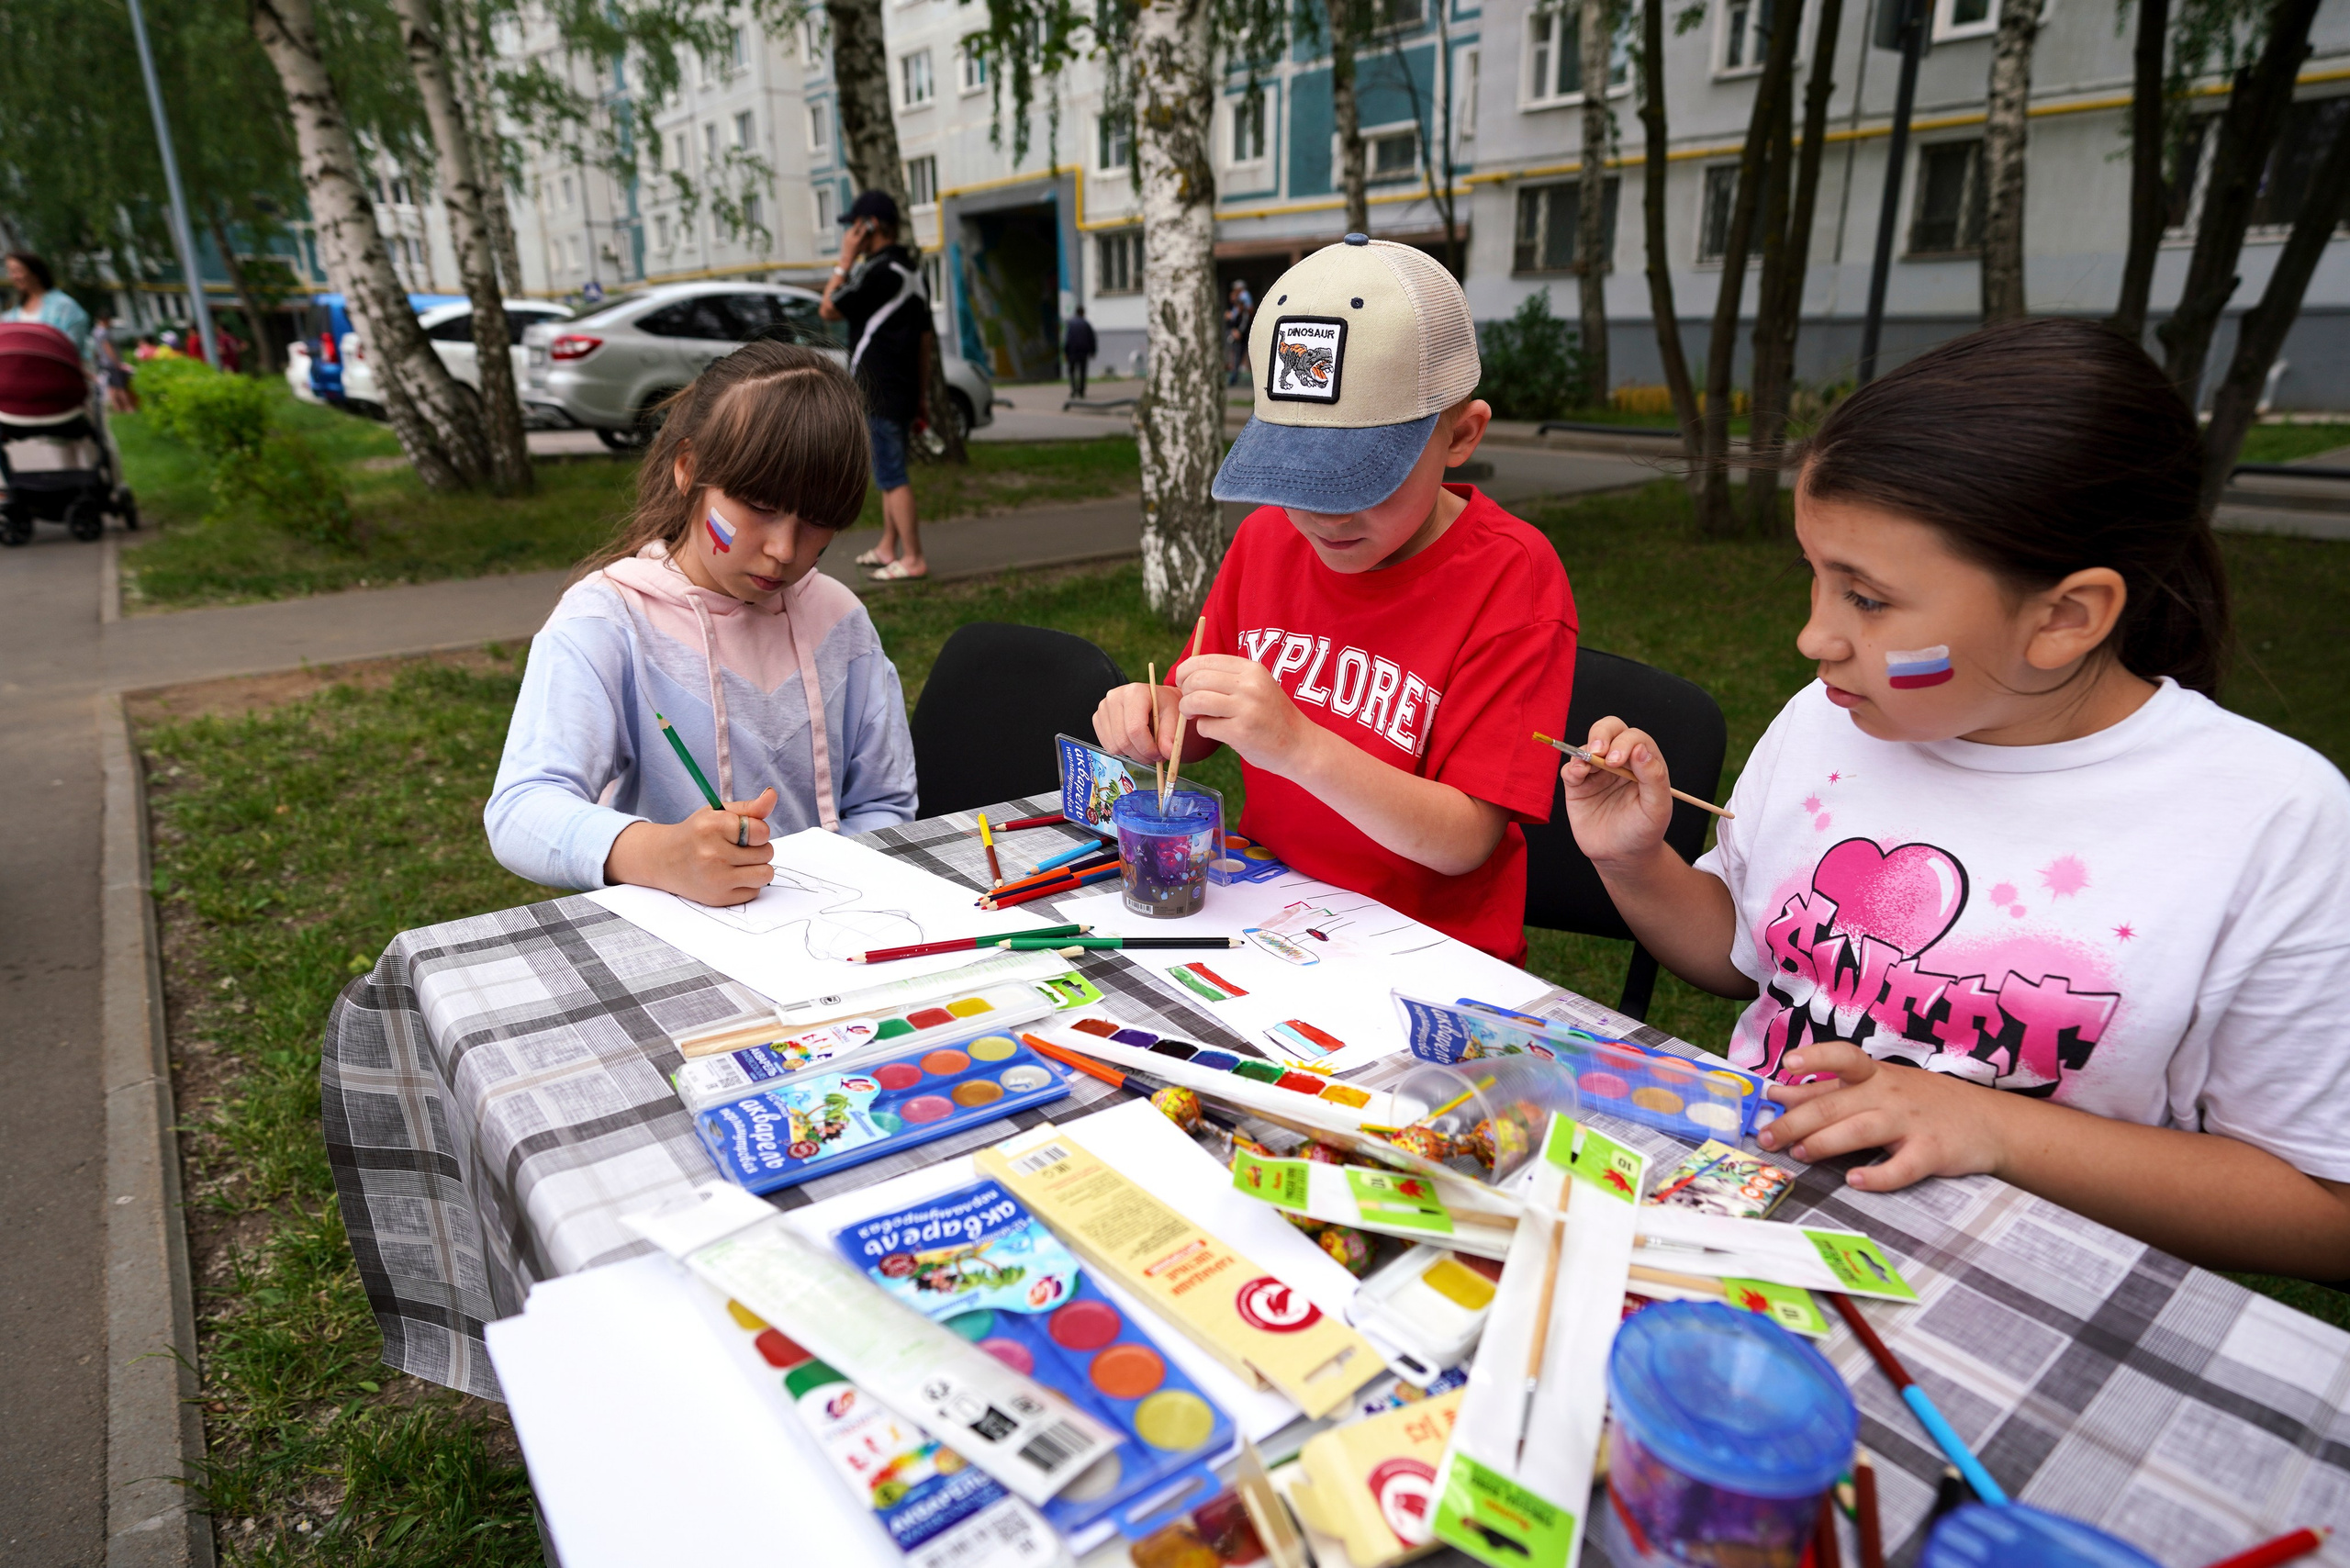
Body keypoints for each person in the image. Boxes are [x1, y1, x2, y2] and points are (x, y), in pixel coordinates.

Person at [1561, 318, 2350, 1279]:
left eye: (1867, 598)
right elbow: (1742, 961)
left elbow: (2324, 1212)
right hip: (1750, 1223)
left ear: (2064, 617)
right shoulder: (1827, 722)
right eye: (1814, 578)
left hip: (2022, 1290)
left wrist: (1989, 1126)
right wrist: (1634, 861)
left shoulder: (2272, 821)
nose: (1813, 638)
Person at [1092, 235, 1574, 963]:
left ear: (1462, 434)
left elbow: (1465, 840)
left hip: (1428, 956)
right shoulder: (1264, 543)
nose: (1324, 517)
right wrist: (1158, 717)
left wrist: (1300, 746)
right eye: (1295, 477)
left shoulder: (1512, 576)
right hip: (1270, 918)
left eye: (1362, 480)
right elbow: (1197, 726)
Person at [485, 341, 919, 904]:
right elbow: (522, 808)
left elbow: (884, 800)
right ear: (689, 469)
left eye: (817, 521)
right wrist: (660, 855)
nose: (784, 550)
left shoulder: (841, 621)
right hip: (673, 945)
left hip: (827, 939)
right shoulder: (608, 621)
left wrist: (832, 888)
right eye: (759, 505)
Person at [820, 189, 930, 583]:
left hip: (877, 386)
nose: (850, 230)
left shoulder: (877, 272)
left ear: (871, 226)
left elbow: (829, 307)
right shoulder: (913, 272)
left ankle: (913, 557)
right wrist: (922, 396)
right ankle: (888, 545)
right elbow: (924, 342)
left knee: (892, 475)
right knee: (887, 469)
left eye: (855, 224)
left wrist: (845, 260)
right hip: (900, 386)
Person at [5, 252, 93, 364]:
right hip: (21, 377)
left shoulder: (64, 306)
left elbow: (72, 347)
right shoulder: (13, 312)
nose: (13, 277)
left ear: (35, 272)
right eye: (11, 272)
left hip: (55, 375)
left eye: (17, 271)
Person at [92, 316, 137, 412]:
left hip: (104, 362)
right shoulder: (103, 333)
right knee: (121, 385)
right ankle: (128, 407)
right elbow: (108, 348)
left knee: (112, 386)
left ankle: (117, 407)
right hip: (111, 363)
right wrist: (117, 362)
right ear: (105, 320)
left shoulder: (95, 331)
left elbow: (96, 350)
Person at [1064, 306, 1097, 400]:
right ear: (1083, 313)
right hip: (1083, 352)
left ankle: (1074, 390)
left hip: (1072, 352)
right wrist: (1093, 351)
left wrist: (1066, 351)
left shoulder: (1071, 324)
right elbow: (1092, 339)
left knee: (1072, 371)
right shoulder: (1086, 324)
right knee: (1083, 371)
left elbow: (1068, 339)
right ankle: (1082, 391)